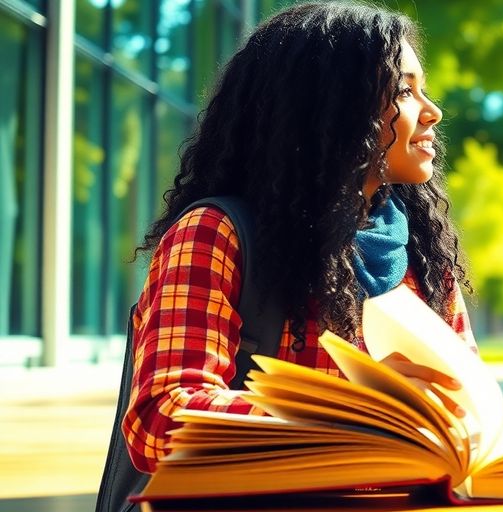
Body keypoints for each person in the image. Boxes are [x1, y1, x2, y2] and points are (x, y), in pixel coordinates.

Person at [122, 2, 475, 474]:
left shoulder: (424, 258)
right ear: (333, 106)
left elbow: (464, 404)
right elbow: (162, 421)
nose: (432, 113)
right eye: (405, 92)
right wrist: (353, 411)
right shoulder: (214, 234)